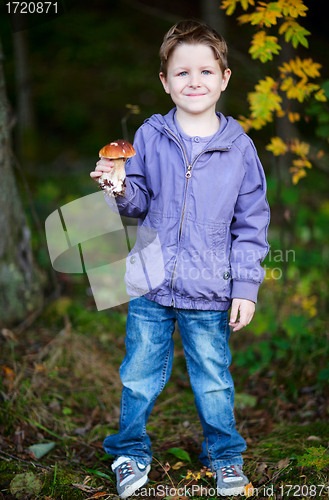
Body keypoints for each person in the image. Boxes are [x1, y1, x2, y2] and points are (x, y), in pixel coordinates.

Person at [90, 19, 270, 498]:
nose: (195, 81)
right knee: (138, 376)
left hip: (210, 289)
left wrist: (245, 288)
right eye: (182, 72)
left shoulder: (239, 148)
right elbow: (138, 204)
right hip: (151, 284)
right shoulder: (150, 136)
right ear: (165, 82)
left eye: (206, 71)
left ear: (225, 78)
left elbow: (251, 224)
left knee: (213, 379)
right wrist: (120, 187)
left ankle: (225, 457)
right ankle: (129, 451)